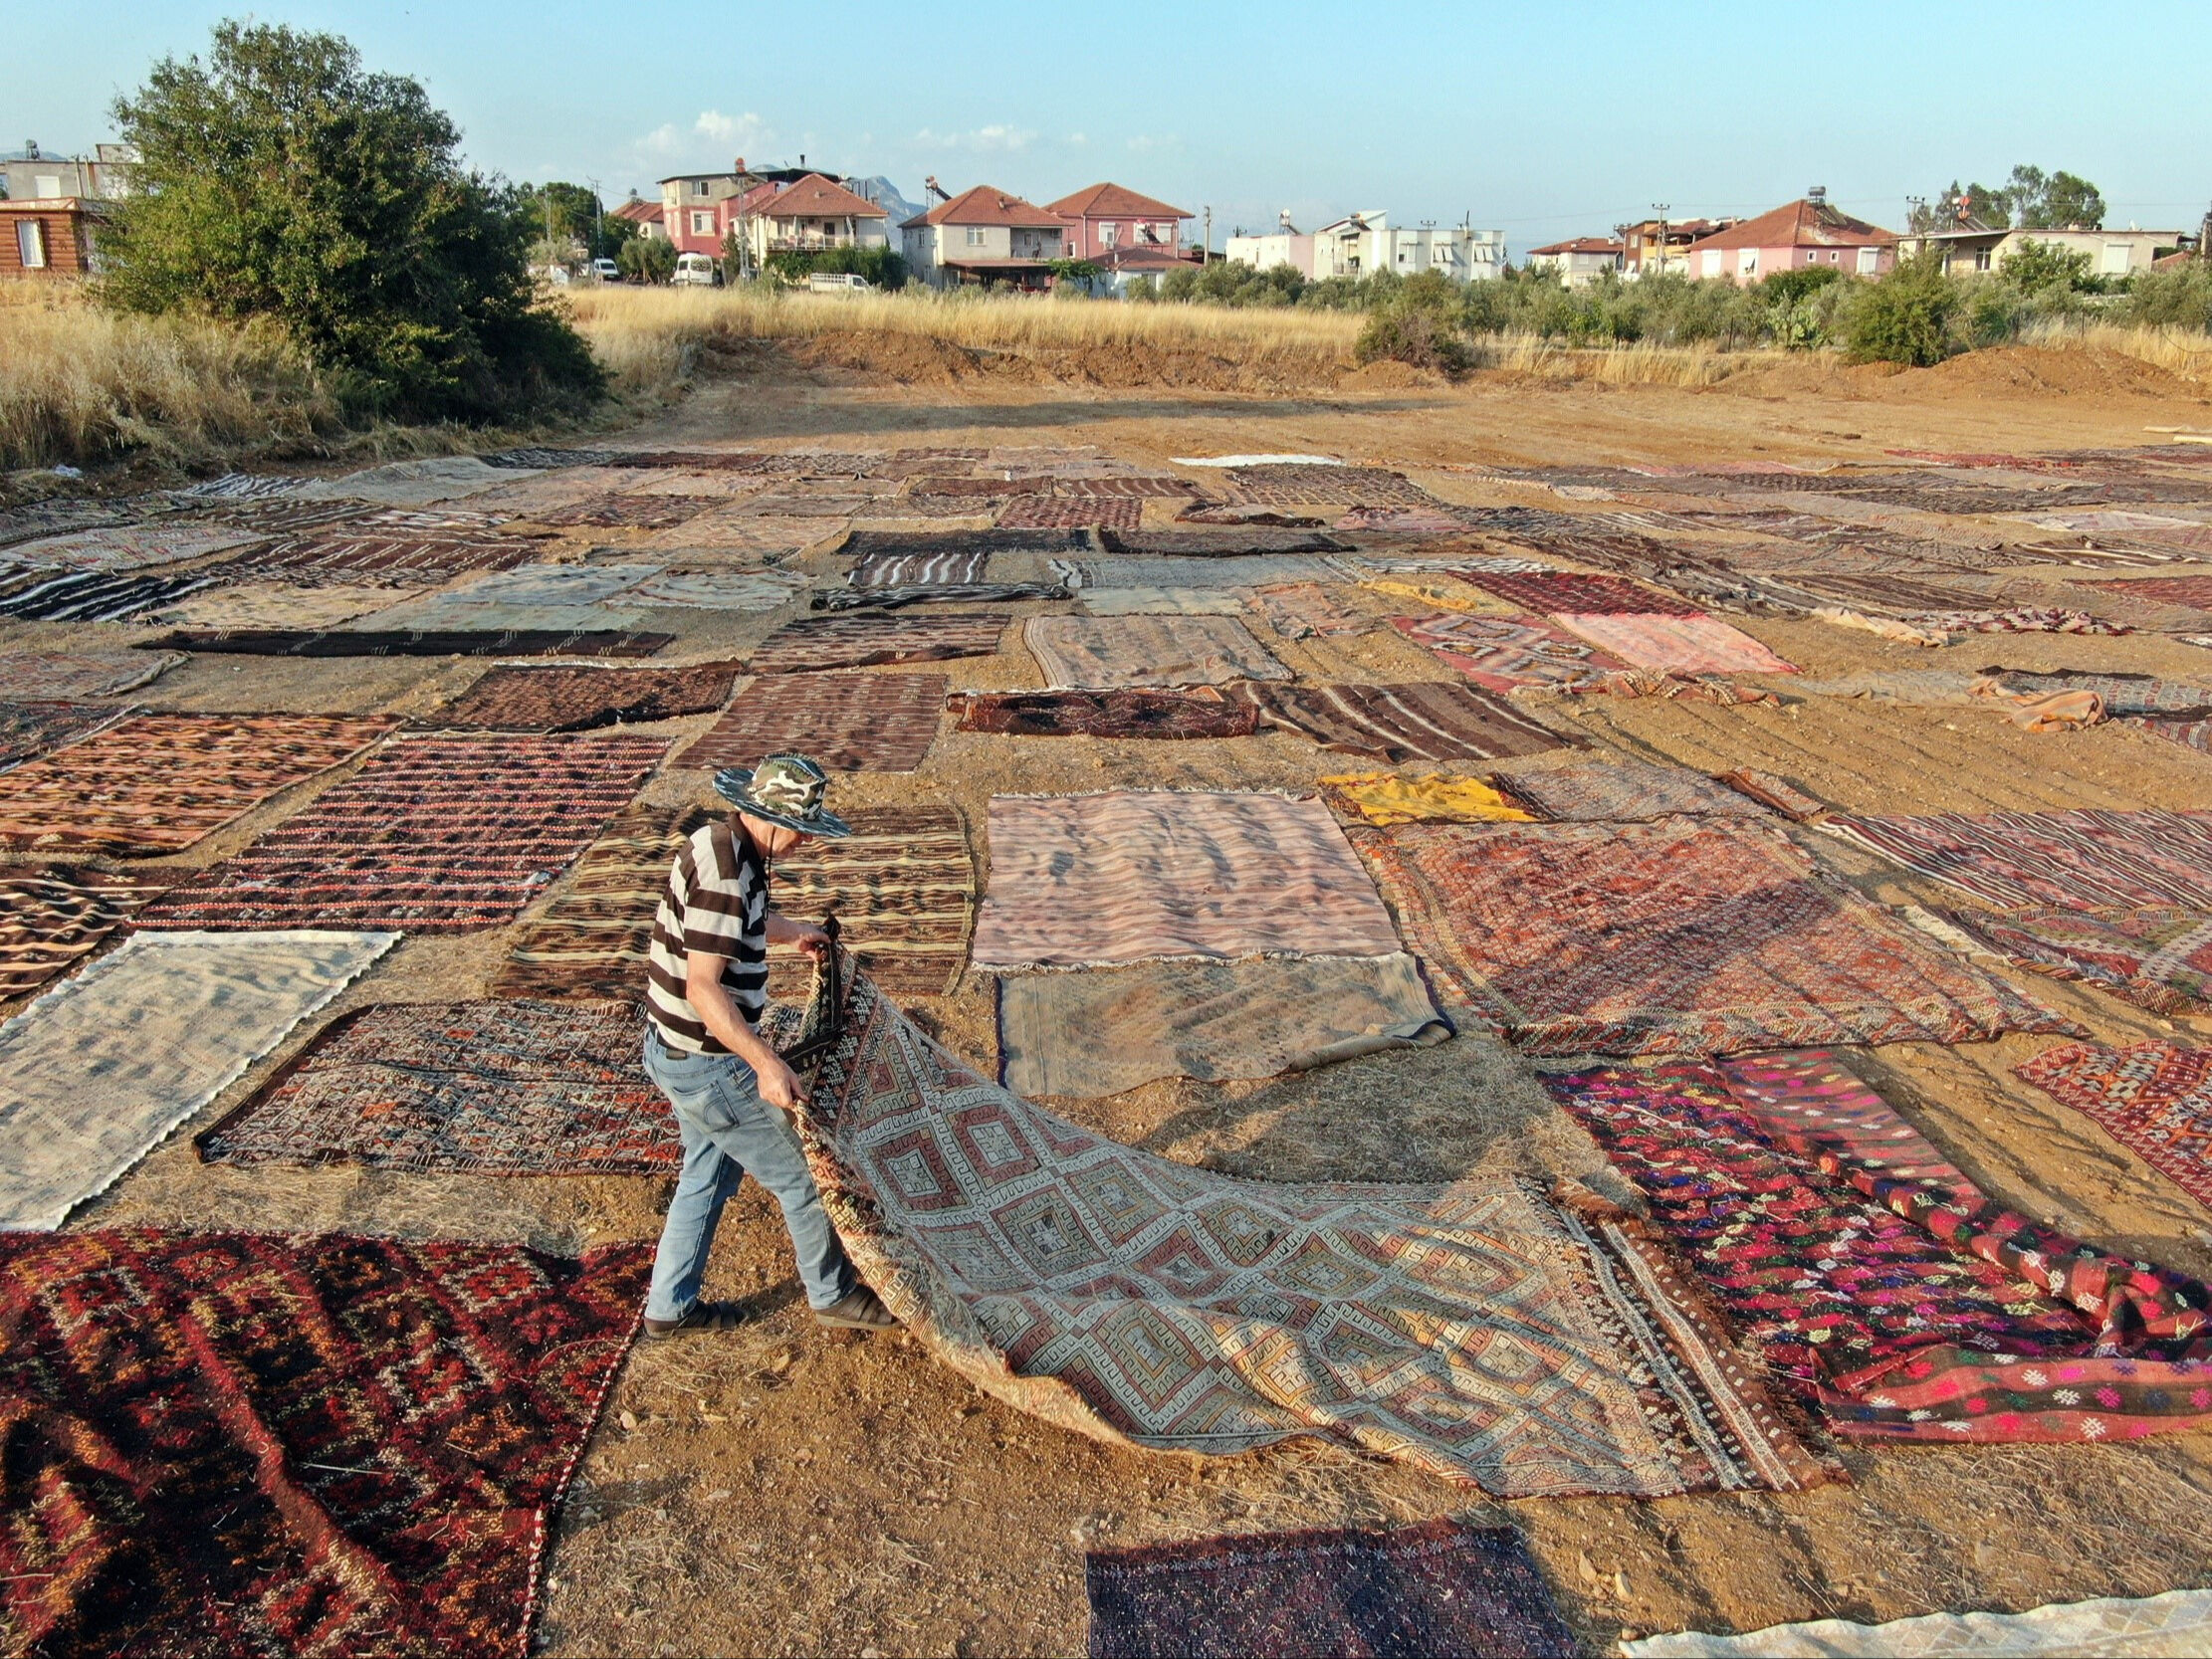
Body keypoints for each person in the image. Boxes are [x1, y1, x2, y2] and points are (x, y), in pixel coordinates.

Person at [639, 752, 897, 1339]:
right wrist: (766, 1063)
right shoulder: (732, 874)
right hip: (707, 1061)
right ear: (770, 818)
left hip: (673, 1050)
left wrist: (793, 931)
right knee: (803, 1177)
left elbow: (738, 924)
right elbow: (703, 987)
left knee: (706, 1173)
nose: (806, 841)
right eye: (801, 829)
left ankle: (668, 1307)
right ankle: (831, 1294)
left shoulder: (719, 840)